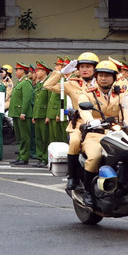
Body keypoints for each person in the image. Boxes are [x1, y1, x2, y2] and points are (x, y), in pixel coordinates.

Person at [72, 60, 124, 207]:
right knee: (95, 157)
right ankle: (88, 192)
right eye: (100, 75)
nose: (103, 78)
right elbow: (84, 110)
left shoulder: (120, 94)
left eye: (107, 76)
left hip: (116, 134)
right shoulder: (87, 94)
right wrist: (91, 121)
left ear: (114, 78)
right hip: (94, 134)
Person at [44, 52, 99, 186]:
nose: (84, 70)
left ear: (95, 69)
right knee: (74, 142)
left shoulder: (102, 82)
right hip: (79, 122)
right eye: (81, 67)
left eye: (88, 67)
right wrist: (61, 72)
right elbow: (48, 86)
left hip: (99, 122)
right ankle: (72, 176)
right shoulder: (72, 84)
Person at [8, 63, 34, 165]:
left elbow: (26, 99)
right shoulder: (20, 82)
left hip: (22, 114)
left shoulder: (26, 83)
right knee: (19, 137)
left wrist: (23, 112)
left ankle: (24, 157)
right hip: (16, 113)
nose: (16, 72)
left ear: (23, 71)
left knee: (24, 137)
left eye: (18, 70)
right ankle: (20, 156)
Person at [31, 61, 52, 168]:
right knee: (38, 138)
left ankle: (45, 158)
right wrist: (34, 115)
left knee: (45, 139)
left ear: (44, 72)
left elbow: (49, 101)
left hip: (44, 115)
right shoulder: (39, 84)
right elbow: (36, 102)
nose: (36, 73)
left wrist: (48, 116)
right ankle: (40, 157)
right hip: (38, 115)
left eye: (38, 71)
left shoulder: (48, 83)